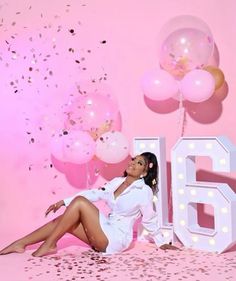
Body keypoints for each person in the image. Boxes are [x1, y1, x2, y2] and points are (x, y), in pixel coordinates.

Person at [0, 152, 177, 257]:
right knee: (65, 220)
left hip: (116, 239)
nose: (132, 163)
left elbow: (149, 219)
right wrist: (63, 202)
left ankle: (51, 243)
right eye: (134, 160)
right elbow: (95, 194)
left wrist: (161, 242)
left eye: (139, 163)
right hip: (104, 231)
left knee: (79, 203)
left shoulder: (143, 191)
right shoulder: (116, 181)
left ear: (145, 172)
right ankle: (20, 243)